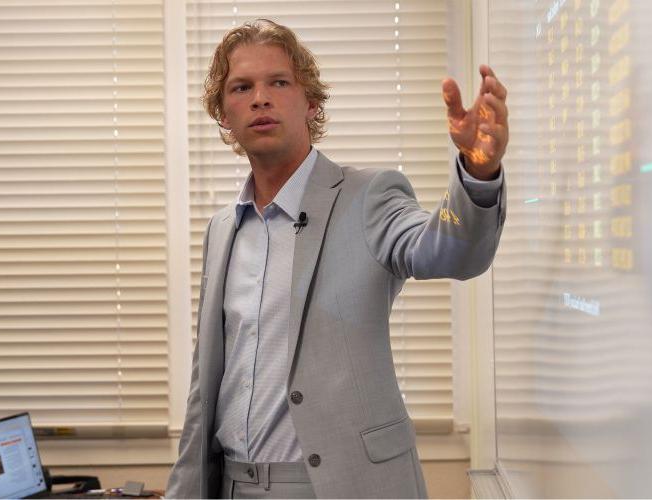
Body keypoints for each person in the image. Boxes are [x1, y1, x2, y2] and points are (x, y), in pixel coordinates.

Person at [166, 18, 508, 499]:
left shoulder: (368, 197)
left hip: (338, 486)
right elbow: (207, 388)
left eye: (278, 82)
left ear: (311, 102)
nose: (260, 98)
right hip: (233, 486)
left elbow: (450, 251)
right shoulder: (224, 229)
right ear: (223, 114)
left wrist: (478, 170)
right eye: (242, 87)